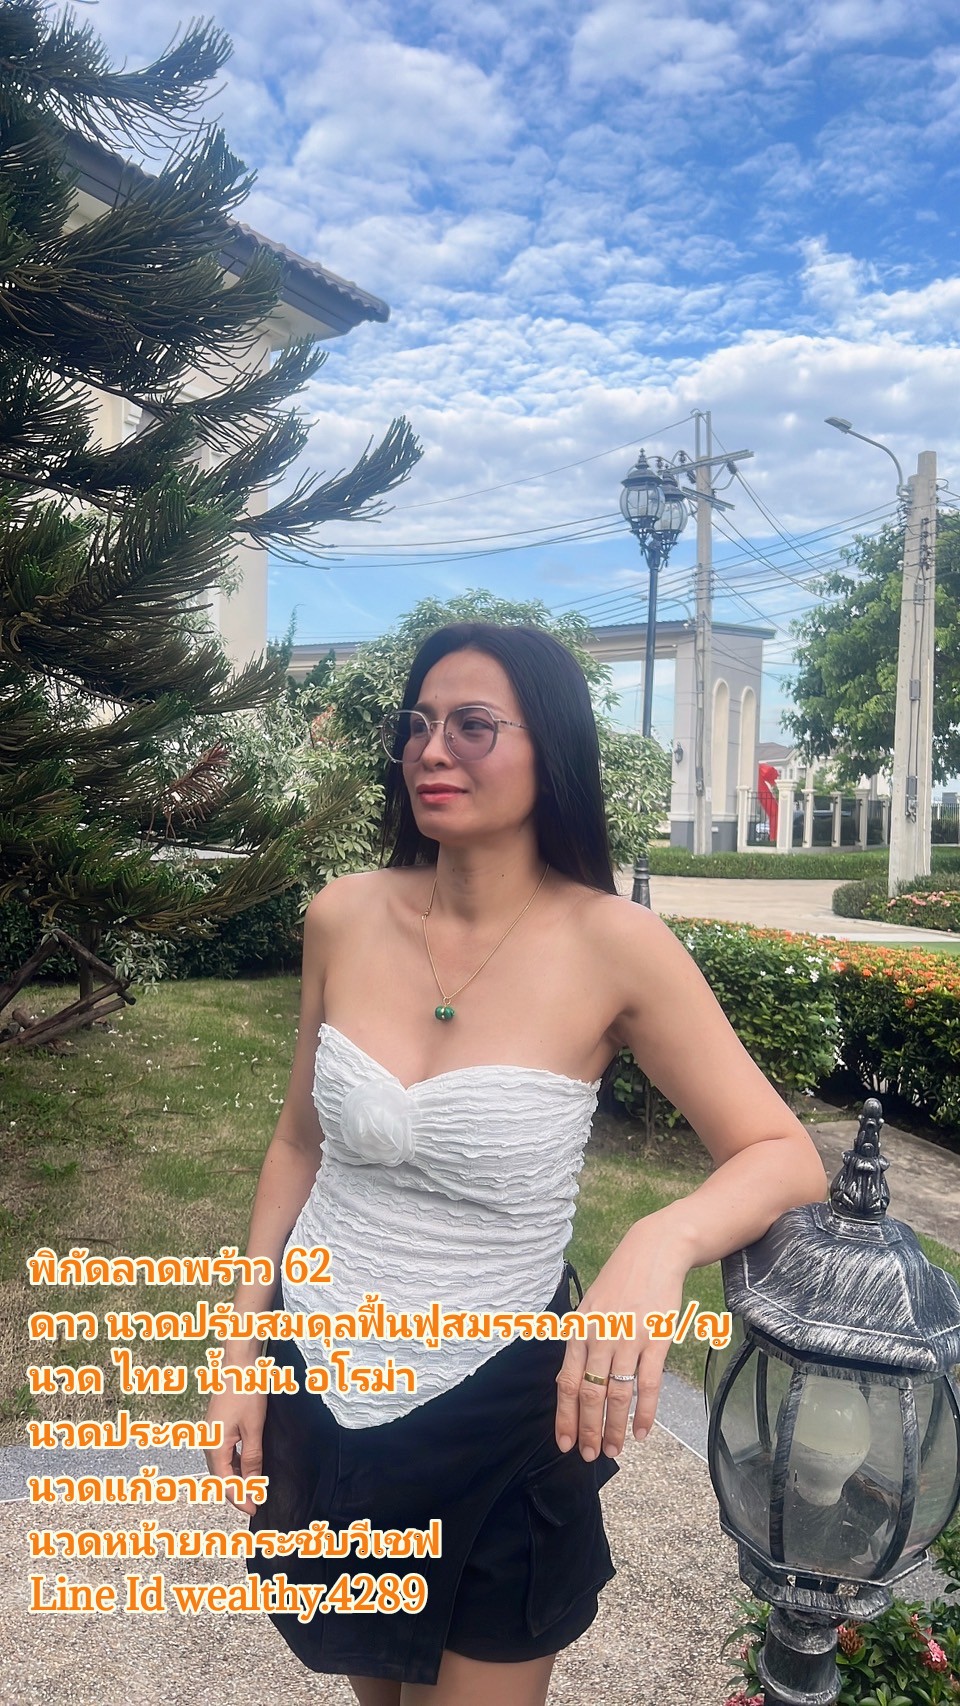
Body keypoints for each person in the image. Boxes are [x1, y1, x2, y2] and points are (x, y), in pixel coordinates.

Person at [205, 621, 827, 1706]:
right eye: (418, 725)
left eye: (474, 726)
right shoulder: (343, 915)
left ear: (554, 751)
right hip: (322, 1387)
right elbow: (299, 1141)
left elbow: (782, 1153)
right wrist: (242, 1343)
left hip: (502, 1404)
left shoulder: (614, 944)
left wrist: (659, 1241)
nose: (432, 750)